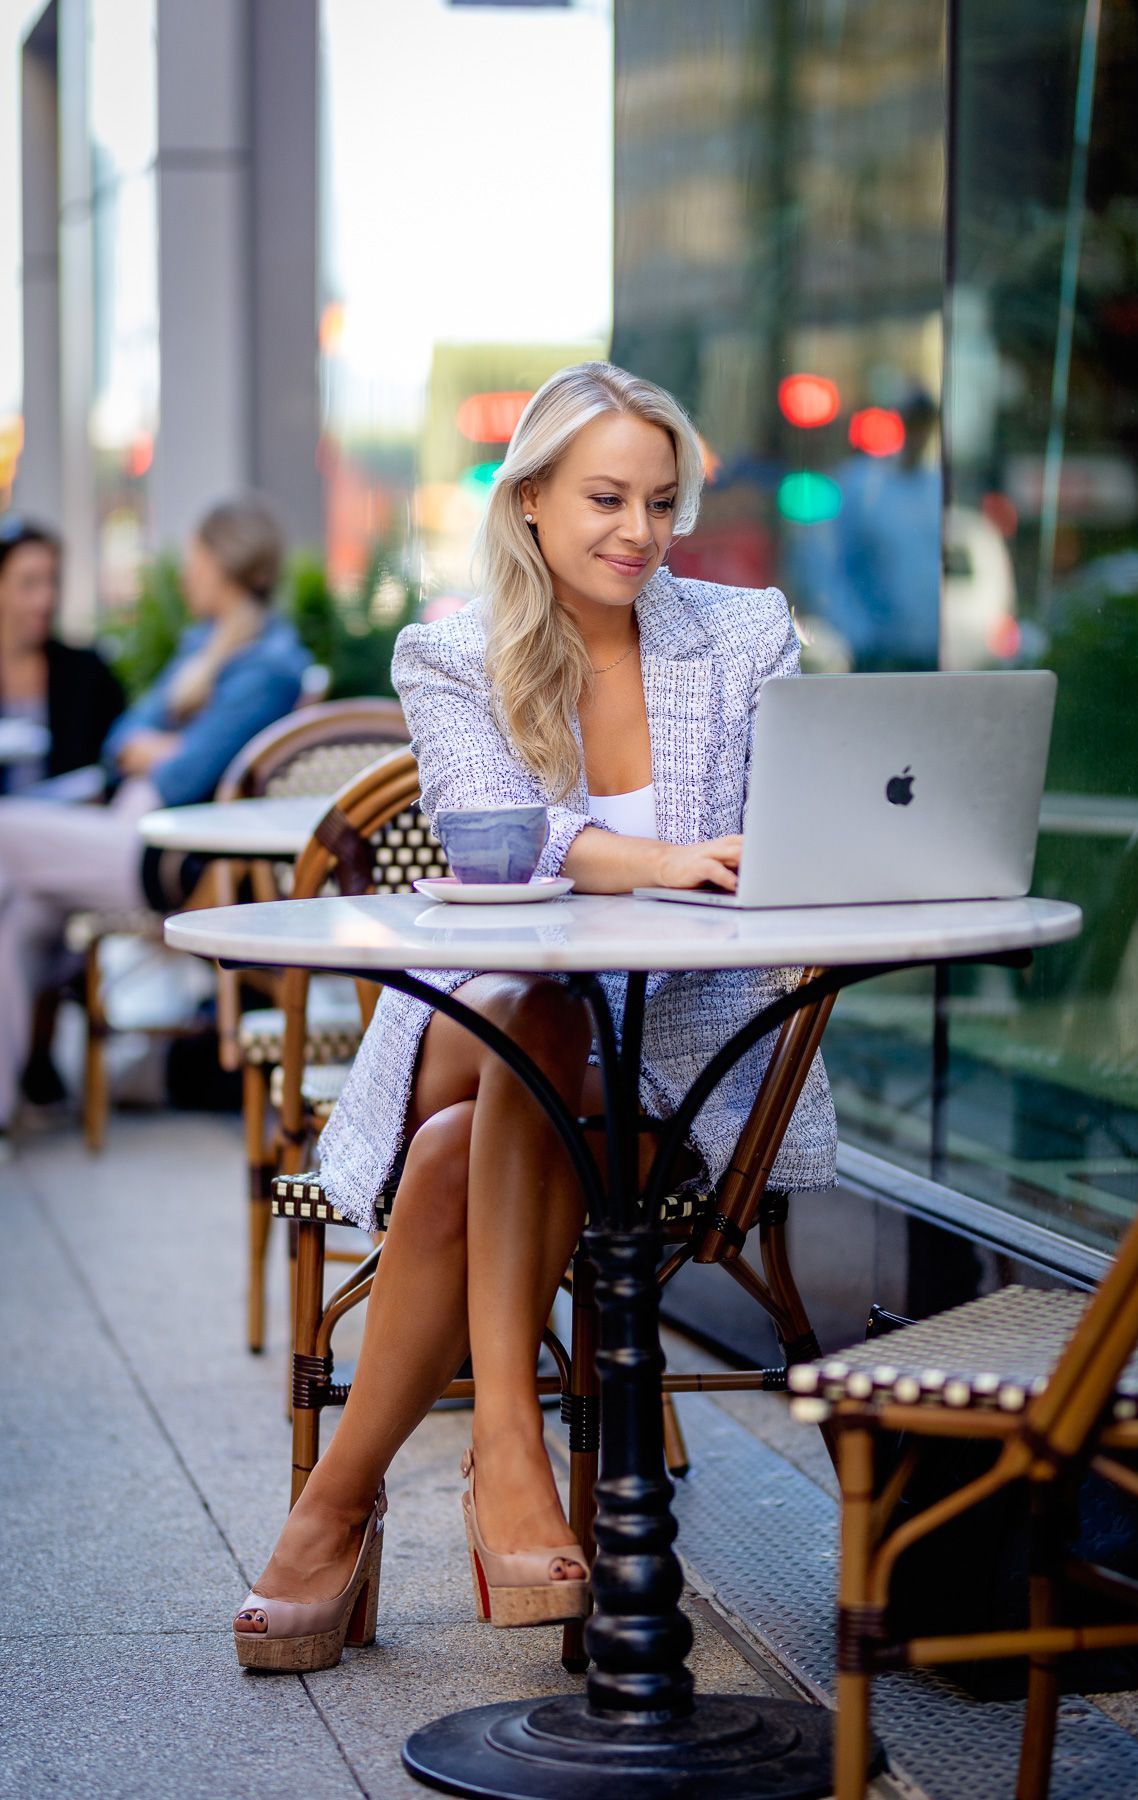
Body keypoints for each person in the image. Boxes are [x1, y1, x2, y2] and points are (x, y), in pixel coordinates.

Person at [233, 363, 837, 1670]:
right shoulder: (453, 653)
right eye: (608, 498)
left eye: (662, 503)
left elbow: (801, 827)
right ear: (531, 506)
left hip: (677, 1056)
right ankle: (504, 1443)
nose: (639, 532)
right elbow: (483, 835)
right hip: (487, 1021)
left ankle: (335, 1508)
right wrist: (658, 862)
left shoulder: (740, 638)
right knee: (541, 1003)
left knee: (465, 1143)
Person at [0, 494, 310, 1142]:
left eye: (195, 559)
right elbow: (123, 738)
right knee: (19, 916)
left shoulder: (269, 665)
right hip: (127, 834)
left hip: (167, 855)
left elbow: (182, 774)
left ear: (222, 565)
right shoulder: (204, 646)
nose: (184, 573)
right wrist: (166, 746)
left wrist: (165, 751)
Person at [794, 386, 941, 671]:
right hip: (877, 654)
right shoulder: (862, 486)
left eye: (924, 424)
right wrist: (855, 633)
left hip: (926, 651)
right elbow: (825, 561)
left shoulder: (933, 489)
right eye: (912, 423)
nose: (918, 434)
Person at [0, 517, 125, 796]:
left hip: (69, 821)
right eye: (29, 584)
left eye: (52, 581)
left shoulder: (87, 672)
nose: (45, 599)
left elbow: (117, 754)